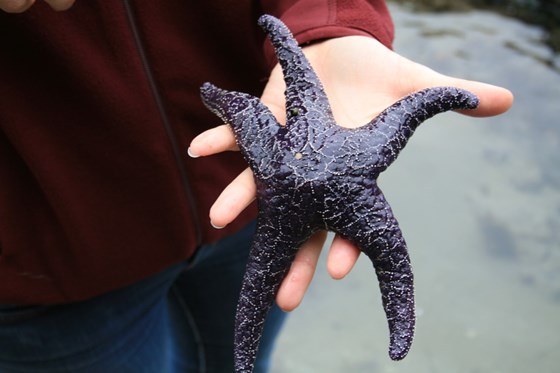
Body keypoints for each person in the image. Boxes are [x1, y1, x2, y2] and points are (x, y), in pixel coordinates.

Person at [0, 0, 513, 372]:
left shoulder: (292, 142)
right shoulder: (346, 152)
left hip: (244, 220)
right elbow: (253, 106)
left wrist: (327, 22)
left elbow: (265, 102)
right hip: (51, 261)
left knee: (240, 358)